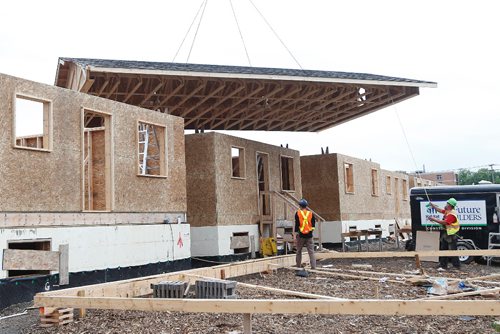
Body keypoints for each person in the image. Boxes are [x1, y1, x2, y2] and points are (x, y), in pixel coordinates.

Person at [428, 198, 461, 270]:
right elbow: (440, 210)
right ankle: (443, 265)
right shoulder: (448, 211)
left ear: (450, 205)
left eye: (447, 203)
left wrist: (434, 219)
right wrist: (433, 206)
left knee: (453, 250)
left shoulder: (452, 214)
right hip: (447, 233)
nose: (446, 204)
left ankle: (456, 266)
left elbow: (445, 222)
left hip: (452, 234)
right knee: (443, 248)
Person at [294, 198, 317, 270]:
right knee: (311, 252)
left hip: (301, 235)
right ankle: (313, 267)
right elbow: (313, 225)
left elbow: (297, 225)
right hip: (309, 235)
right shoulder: (311, 214)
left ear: (300, 206)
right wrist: (310, 232)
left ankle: (298, 266)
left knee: (298, 251)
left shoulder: (298, 213)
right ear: (306, 206)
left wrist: (295, 234)